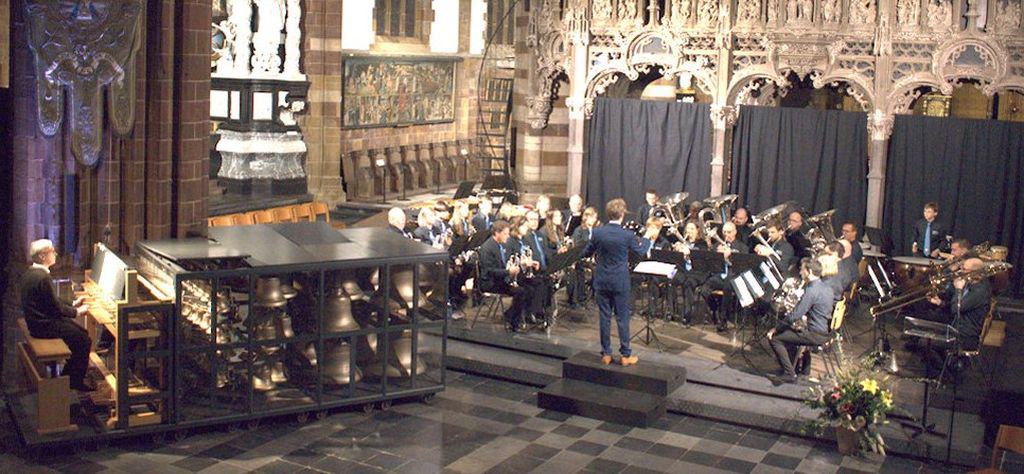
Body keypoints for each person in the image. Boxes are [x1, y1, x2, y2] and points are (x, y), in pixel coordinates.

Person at [583, 198, 656, 366]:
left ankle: (606, 353)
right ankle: (625, 355)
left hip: (602, 280)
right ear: (622, 214)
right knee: (622, 318)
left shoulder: (598, 232)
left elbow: (587, 253)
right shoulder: (627, 235)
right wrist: (647, 237)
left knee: (604, 317)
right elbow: (641, 250)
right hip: (620, 281)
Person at [19, 239, 94, 392]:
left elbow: (52, 299)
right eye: (52, 251)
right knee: (83, 340)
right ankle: (72, 382)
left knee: (81, 334)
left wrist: (73, 303)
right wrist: (78, 312)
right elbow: (55, 307)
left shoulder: (32, 272)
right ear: (42, 256)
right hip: (42, 326)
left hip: (39, 320)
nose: (55, 254)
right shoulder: (42, 277)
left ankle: (69, 376)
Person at [768, 258, 834, 384]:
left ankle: (789, 373)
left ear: (808, 271)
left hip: (814, 333)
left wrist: (776, 328)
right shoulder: (827, 288)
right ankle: (803, 370)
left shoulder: (811, 290)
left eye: (802, 270)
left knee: (776, 338)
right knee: (790, 332)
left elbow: (796, 315)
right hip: (824, 330)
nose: (800, 273)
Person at [922, 258, 991, 375]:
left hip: (966, 337)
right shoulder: (971, 283)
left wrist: (958, 290)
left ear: (976, 273)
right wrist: (940, 303)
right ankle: (946, 368)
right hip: (958, 327)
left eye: (964, 269)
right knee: (928, 325)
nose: (960, 271)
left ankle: (945, 375)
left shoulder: (980, 291)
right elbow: (958, 308)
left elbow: (956, 309)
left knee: (926, 343)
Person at [477, 221, 541, 332]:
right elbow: (489, 271)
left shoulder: (501, 245)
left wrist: (523, 264)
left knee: (531, 286)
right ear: (497, 233)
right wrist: (508, 272)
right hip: (490, 283)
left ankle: (515, 314)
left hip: (502, 279)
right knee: (520, 292)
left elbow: (508, 262)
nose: (508, 236)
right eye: (505, 234)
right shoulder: (487, 248)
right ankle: (513, 323)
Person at [567, 207, 600, 308]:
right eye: (593, 217)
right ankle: (581, 297)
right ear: (587, 218)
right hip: (580, 258)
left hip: (593, 258)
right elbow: (577, 246)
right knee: (587, 269)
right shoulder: (579, 230)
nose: (595, 220)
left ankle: (594, 297)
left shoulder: (596, 229)